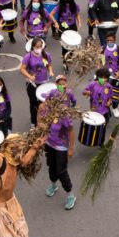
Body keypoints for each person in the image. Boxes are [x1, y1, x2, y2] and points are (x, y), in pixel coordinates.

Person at [41, 75, 77, 210]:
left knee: (61, 171)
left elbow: (71, 132)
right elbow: (44, 125)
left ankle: (70, 195)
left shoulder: (64, 115)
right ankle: (53, 185)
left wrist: (71, 149)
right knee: (51, 166)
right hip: (49, 144)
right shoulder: (48, 112)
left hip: (61, 146)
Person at [19, 36, 53, 124]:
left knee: (42, 103)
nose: (39, 48)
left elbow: (49, 65)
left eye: (40, 46)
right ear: (33, 46)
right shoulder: (28, 56)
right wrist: (29, 77)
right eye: (37, 47)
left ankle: (42, 121)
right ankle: (33, 122)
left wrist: (50, 71)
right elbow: (22, 69)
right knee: (33, 103)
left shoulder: (46, 55)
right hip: (32, 84)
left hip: (43, 83)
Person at [100, 31, 119, 118]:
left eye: (111, 40)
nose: (109, 42)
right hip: (105, 76)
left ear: (115, 40)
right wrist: (100, 71)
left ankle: (115, 108)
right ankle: (105, 109)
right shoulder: (103, 48)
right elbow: (101, 60)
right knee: (104, 92)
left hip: (116, 76)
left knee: (115, 94)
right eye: (107, 40)